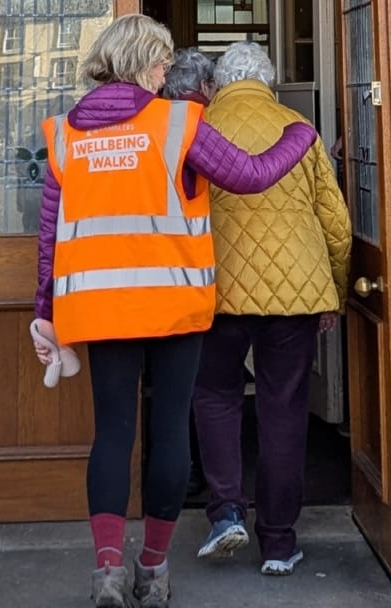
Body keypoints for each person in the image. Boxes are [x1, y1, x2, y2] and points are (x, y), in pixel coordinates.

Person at [31, 15, 320, 608]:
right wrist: (301, 133)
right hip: (172, 303)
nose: (167, 70)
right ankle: (154, 569)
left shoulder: (63, 134)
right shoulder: (178, 123)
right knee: (168, 432)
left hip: (100, 307)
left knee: (113, 432)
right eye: (161, 59)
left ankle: (108, 570)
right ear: (141, 62)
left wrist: (45, 312)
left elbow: (48, 236)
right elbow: (251, 175)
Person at [191, 41, 352, 576]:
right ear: (269, 81)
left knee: (215, 397)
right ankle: (279, 543)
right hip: (295, 292)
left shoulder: (197, 127)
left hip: (214, 289)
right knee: (283, 409)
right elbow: (335, 222)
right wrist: (334, 292)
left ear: (218, 83)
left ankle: (226, 513)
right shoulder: (297, 128)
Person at [160, 47, 217, 500]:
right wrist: (301, 135)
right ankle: (196, 473)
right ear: (204, 88)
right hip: (198, 279)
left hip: (149, 279)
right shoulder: (199, 126)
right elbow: (245, 176)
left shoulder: (153, 126)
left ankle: (186, 473)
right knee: (202, 386)